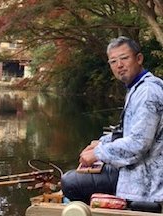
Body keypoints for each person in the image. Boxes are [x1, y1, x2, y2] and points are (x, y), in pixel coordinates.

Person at [61, 36, 163, 205]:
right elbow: (126, 131)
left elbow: (138, 144)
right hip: (137, 168)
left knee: (70, 183)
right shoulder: (138, 87)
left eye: (124, 58)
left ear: (139, 59)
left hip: (148, 181)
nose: (119, 65)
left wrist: (98, 154)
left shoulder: (148, 93)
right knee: (79, 176)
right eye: (113, 61)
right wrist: (101, 143)